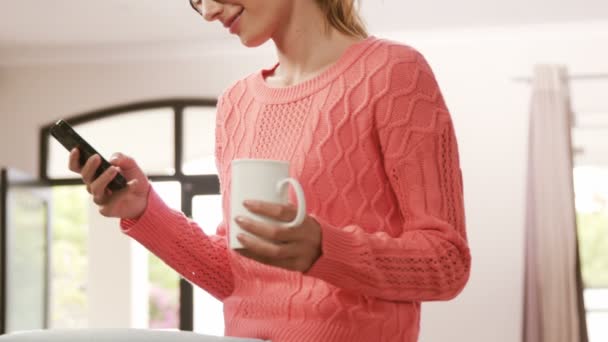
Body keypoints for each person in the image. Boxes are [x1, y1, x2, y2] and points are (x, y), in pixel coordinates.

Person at [68, 0, 471, 341]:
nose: (207, 11)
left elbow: (447, 263)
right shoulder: (236, 104)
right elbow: (235, 275)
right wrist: (143, 210)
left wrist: (323, 248)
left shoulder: (394, 72)